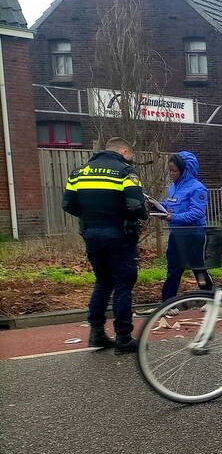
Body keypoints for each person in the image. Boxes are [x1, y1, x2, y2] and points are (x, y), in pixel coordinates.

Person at [62, 137, 148, 354]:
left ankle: (97, 332)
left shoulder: (78, 173)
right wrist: (141, 216)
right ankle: (123, 338)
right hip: (120, 235)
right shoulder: (125, 172)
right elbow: (136, 204)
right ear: (124, 150)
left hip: (91, 235)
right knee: (123, 284)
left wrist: (92, 218)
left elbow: (68, 204)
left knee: (102, 282)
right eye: (131, 155)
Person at [159, 151, 213, 301]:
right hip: (176, 234)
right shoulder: (173, 188)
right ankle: (168, 301)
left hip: (193, 235)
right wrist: (157, 206)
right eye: (169, 170)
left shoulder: (198, 188)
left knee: (198, 268)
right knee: (173, 269)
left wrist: (173, 217)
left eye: (174, 171)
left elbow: (197, 213)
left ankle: (209, 296)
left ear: (184, 171)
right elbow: (171, 205)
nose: (171, 174)